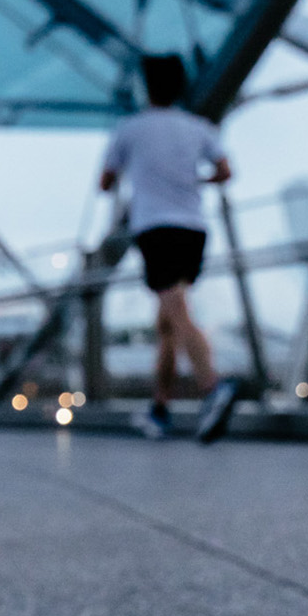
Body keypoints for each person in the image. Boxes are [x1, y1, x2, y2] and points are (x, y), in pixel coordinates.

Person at [100, 52, 236, 438]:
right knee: (167, 322)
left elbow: (106, 182)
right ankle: (160, 408)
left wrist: (138, 178)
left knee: (174, 309)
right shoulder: (199, 128)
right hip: (193, 228)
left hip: (156, 227)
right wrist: (192, 182)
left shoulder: (130, 129)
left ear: (147, 87)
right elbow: (225, 171)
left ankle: (212, 385)